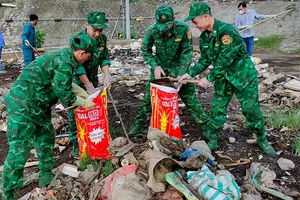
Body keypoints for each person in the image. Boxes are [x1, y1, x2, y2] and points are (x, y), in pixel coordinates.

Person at [1, 33, 98, 200]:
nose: (87, 60)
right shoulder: (65, 62)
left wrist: (74, 88)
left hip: (38, 107)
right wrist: (84, 101)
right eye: (88, 57)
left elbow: (58, 81)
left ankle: (45, 175)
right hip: (23, 106)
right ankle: (7, 193)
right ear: (81, 53)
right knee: (19, 152)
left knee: (46, 137)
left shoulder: (65, 57)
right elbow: (65, 96)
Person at [179, 2, 276, 157]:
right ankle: (213, 139)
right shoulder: (204, 37)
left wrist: (208, 78)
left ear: (206, 17)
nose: (194, 25)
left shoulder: (227, 31)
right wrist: (190, 74)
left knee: (251, 110)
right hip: (223, 78)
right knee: (217, 109)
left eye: (195, 21)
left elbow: (225, 60)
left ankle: (262, 139)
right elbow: (205, 60)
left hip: (242, 76)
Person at [128, 5, 209, 137]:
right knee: (149, 98)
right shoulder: (152, 31)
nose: (164, 30)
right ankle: (139, 123)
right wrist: (155, 66)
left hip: (179, 69)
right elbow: (145, 50)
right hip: (161, 70)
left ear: (174, 19)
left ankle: (206, 126)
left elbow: (186, 52)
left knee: (190, 99)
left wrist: (181, 73)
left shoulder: (183, 29)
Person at [68, 11, 111, 157]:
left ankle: (93, 139)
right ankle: (76, 144)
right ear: (87, 25)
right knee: (77, 111)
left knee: (93, 110)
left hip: (92, 78)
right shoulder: (78, 40)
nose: (98, 33)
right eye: (95, 30)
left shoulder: (102, 40)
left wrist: (106, 75)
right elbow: (77, 66)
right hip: (78, 81)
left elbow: (104, 58)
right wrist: (87, 86)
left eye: (100, 30)